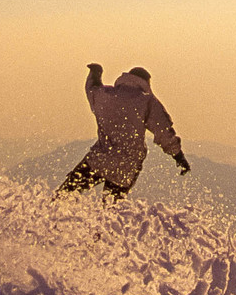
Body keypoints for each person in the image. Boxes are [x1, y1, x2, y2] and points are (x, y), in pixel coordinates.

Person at [58, 63, 190, 198]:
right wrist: (178, 156)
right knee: (112, 207)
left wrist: (95, 73)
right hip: (127, 166)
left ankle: (51, 209)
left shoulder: (107, 95)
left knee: (64, 194)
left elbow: (92, 90)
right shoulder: (147, 101)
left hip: (99, 160)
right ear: (146, 82)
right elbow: (164, 133)